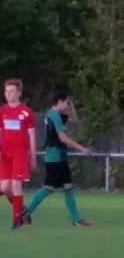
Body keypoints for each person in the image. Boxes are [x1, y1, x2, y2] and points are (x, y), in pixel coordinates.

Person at [21, 92, 93, 226]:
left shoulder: (51, 114)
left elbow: (73, 118)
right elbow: (63, 138)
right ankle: (25, 212)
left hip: (59, 157)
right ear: (59, 102)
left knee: (68, 187)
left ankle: (76, 220)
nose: (67, 106)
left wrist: (71, 103)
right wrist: (81, 148)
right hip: (55, 157)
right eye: (66, 103)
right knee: (48, 188)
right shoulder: (55, 116)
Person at [0, 79, 36, 228]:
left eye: (12, 91)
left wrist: (33, 157)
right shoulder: (2, 111)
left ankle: (17, 220)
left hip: (20, 153)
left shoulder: (26, 112)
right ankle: (22, 211)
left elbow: (32, 136)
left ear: (19, 93)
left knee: (16, 185)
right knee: (5, 188)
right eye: (6, 91)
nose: (8, 94)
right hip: (5, 154)